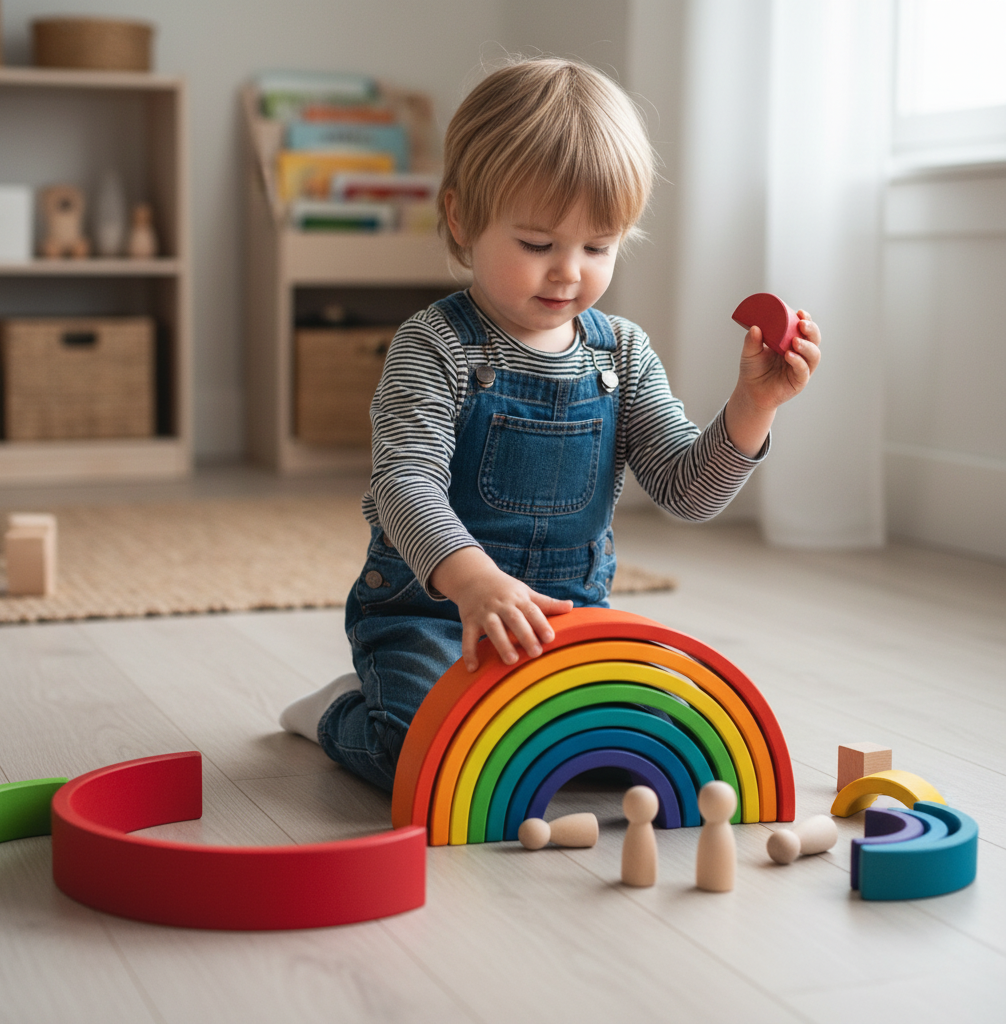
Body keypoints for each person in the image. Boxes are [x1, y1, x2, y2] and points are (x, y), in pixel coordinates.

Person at [279, 57, 821, 790]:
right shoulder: (433, 344)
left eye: (598, 247)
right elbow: (404, 484)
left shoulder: (623, 352)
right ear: (461, 218)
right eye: (538, 244)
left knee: (656, 746)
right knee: (421, 759)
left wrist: (754, 405)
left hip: (567, 620)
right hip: (434, 614)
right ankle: (340, 709)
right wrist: (475, 582)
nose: (569, 271)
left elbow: (687, 493)